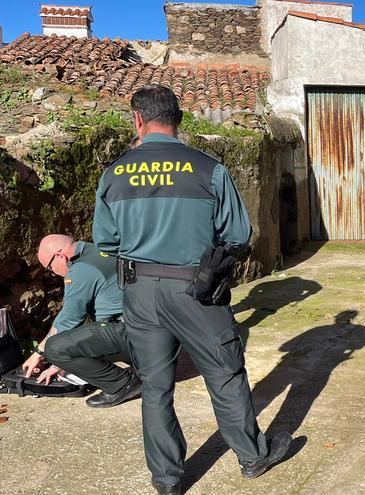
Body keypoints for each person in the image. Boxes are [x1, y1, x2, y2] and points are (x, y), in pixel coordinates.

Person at [93, 84, 290, 495]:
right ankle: (253, 457)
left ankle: (166, 481)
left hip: (139, 292)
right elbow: (238, 235)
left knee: (155, 386)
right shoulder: (208, 169)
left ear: (137, 119)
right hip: (196, 289)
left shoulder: (114, 174)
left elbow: (106, 241)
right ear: (178, 120)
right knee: (224, 373)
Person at [21, 234, 140, 408]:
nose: (53, 272)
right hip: (154, 331)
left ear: (60, 256)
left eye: (50, 268)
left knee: (55, 347)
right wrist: (60, 366)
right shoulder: (100, 249)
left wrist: (38, 353)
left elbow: (69, 320)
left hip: (134, 336)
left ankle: (122, 383)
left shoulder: (81, 270)